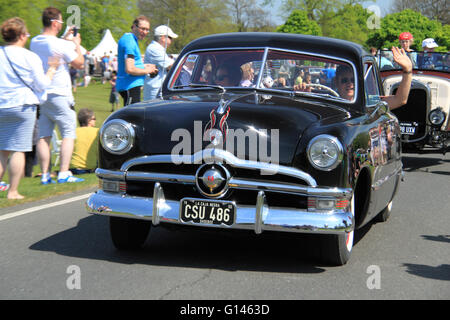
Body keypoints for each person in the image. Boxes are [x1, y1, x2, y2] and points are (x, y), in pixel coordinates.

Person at [0, 17, 59, 199]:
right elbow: (41, 84)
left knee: (2, 151)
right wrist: (51, 70)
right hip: (23, 106)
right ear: (22, 35)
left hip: (2, 104)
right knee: (18, 149)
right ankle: (13, 191)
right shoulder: (29, 56)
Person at [30, 7, 86, 184]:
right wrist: (76, 43)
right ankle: (63, 172)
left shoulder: (35, 41)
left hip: (43, 93)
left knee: (44, 135)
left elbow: (52, 46)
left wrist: (64, 39)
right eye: (60, 22)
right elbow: (79, 63)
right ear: (55, 23)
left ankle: (45, 174)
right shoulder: (59, 45)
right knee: (68, 133)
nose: (61, 25)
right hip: (60, 93)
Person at [334, 47, 412, 110]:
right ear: (336, 82)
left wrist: (407, 70)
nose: (350, 84)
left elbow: (400, 100)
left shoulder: (369, 103)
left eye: (353, 80)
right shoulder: (330, 101)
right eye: (344, 80)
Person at [117, 16, 157, 106]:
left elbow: (132, 64)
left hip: (131, 86)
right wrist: (148, 70)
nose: (145, 32)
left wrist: (145, 66)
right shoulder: (129, 42)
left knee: (133, 117)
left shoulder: (132, 40)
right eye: (143, 29)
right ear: (134, 26)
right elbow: (130, 69)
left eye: (147, 30)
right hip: (130, 86)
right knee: (131, 118)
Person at [143, 25, 178, 100]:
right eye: (170, 38)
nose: (171, 41)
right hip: (155, 91)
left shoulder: (157, 49)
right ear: (162, 37)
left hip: (157, 89)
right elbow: (172, 67)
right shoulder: (155, 49)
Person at [69, 108, 99, 174]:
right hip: (89, 168)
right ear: (89, 120)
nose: (95, 120)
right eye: (94, 119)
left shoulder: (73, 131)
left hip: (72, 167)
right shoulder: (97, 132)